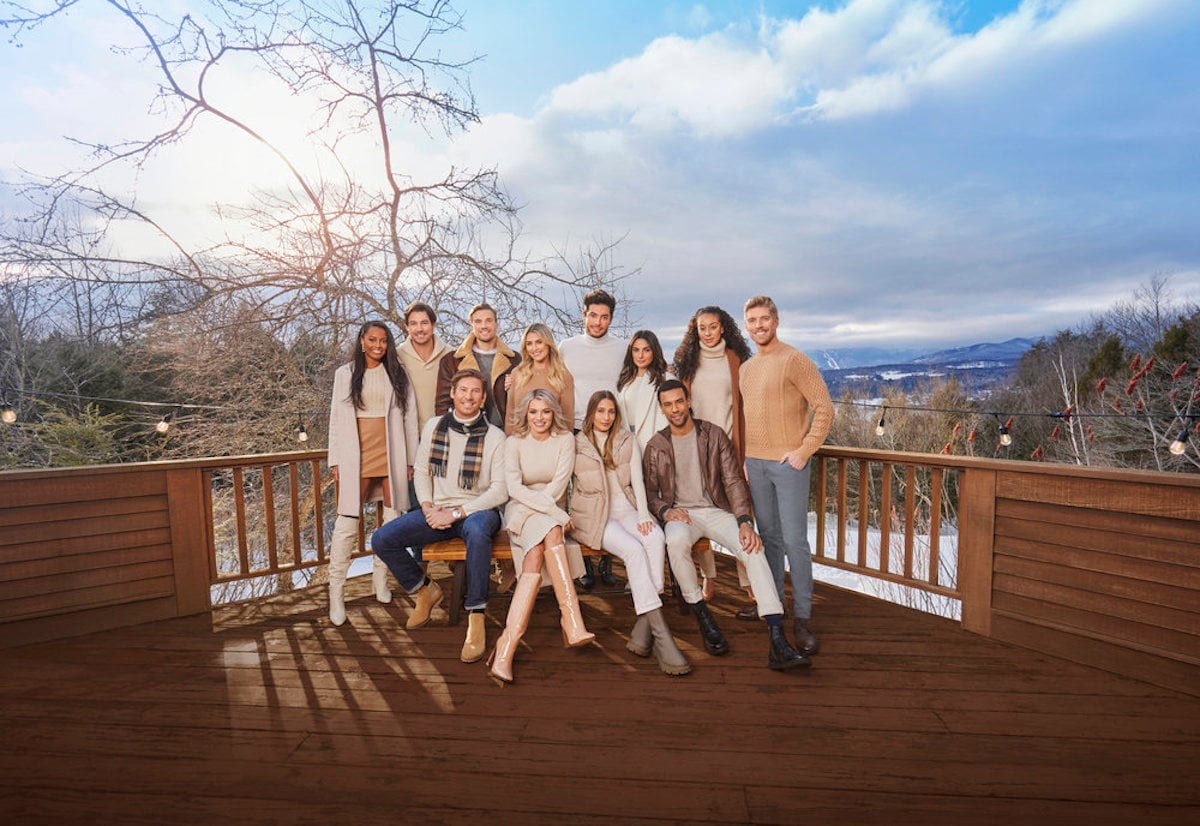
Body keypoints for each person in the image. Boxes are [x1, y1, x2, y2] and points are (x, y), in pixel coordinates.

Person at [642, 379, 809, 671]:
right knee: (675, 543)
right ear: (662, 408)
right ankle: (703, 615)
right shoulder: (656, 445)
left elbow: (733, 481)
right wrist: (666, 510)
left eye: (679, 402)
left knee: (752, 548)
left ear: (689, 401)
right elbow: (649, 491)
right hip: (682, 515)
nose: (675, 409)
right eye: (667, 404)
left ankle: (776, 635)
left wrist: (745, 521)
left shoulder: (714, 435)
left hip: (716, 510)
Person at [372, 369, 507, 663]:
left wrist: (458, 512)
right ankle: (425, 591)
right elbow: (421, 471)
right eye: (463, 390)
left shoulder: (496, 437)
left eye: (475, 392)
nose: (468, 397)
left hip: (478, 511)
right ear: (454, 394)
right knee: (382, 538)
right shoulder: (435, 427)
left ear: (483, 398)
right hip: (438, 510)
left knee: (476, 533)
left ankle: (476, 615)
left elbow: (500, 490)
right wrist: (429, 506)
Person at [570, 390, 690, 676]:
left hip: (628, 509)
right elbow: (565, 481)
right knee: (634, 551)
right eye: (600, 411)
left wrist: (644, 515)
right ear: (591, 413)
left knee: (655, 538)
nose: (606, 417)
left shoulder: (625, 439)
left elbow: (637, 477)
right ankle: (662, 638)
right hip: (596, 515)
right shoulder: (577, 443)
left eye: (611, 411)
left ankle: (643, 628)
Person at [740, 295, 834, 656]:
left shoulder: (795, 360)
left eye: (765, 319)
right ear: (747, 325)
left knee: (795, 542)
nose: (759, 326)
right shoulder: (746, 369)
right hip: (756, 465)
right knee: (770, 540)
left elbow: (824, 409)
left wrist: (803, 451)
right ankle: (773, 607)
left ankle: (803, 619)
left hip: (788, 465)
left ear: (776, 321)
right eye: (753, 320)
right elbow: (749, 419)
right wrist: (747, 462)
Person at [488, 390, 594, 683]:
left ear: (554, 414)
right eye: (533, 412)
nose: (539, 418)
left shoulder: (564, 440)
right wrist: (546, 516)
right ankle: (571, 621)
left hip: (549, 505)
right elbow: (514, 488)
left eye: (545, 412)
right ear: (525, 413)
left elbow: (559, 486)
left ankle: (506, 646)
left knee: (539, 546)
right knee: (552, 530)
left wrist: (551, 513)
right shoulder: (514, 443)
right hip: (521, 508)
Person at [326, 321, 419, 627]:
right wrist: (336, 459)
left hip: (392, 450)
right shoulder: (345, 374)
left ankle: (381, 581)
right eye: (372, 340)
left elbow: (409, 418)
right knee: (347, 522)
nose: (378, 345)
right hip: (358, 453)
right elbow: (336, 420)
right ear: (362, 341)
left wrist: (410, 459)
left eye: (383, 341)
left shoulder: (397, 373)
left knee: (392, 520)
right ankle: (336, 593)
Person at [674, 306, 754, 603]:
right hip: (696, 451)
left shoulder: (737, 361)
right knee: (699, 512)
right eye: (702, 328)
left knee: (740, 514)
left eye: (713, 327)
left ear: (723, 328)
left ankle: (748, 580)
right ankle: (708, 576)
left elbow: (746, 409)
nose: (707, 333)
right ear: (695, 331)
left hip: (730, 450)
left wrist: (745, 454)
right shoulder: (687, 364)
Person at [559, 288, 626, 587]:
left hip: (610, 427)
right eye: (593, 316)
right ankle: (584, 563)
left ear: (611, 319)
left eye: (605, 317)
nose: (598, 322)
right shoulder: (567, 347)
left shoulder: (622, 347)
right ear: (583, 315)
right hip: (576, 428)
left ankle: (606, 562)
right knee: (580, 496)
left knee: (610, 492)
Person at [435, 303, 519, 428]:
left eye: (488, 321)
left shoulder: (514, 360)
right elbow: (443, 404)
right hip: (465, 431)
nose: (484, 326)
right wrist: (447, 431)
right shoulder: (452, 361)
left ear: (497, 325)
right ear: (472, 325)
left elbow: (523, 400)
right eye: (478, 321)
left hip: (504, 432)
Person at [502, 323, 575, 435]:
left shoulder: (563, 376)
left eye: (539, 342)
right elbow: (510, 416)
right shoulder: (517, 373)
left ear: (548, 343)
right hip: (520, 443)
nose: (534, 348)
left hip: (552, 444)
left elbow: (567, 420)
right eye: (529, 344)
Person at [396, 301, 450, 432]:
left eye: (424, 323)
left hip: (443, 431)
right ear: (406, 327)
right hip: (407, 434)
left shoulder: (451, 355)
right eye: (413, 324)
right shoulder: (396, 357)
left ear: (433, 325)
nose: (419, 329)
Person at [616, 330, 670, 449]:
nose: (640, 355)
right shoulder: (625, 379)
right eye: (636, 350)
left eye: (646, 350)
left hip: (653, 441)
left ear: (654, 351)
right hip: (626, 442)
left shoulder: (665, 379)